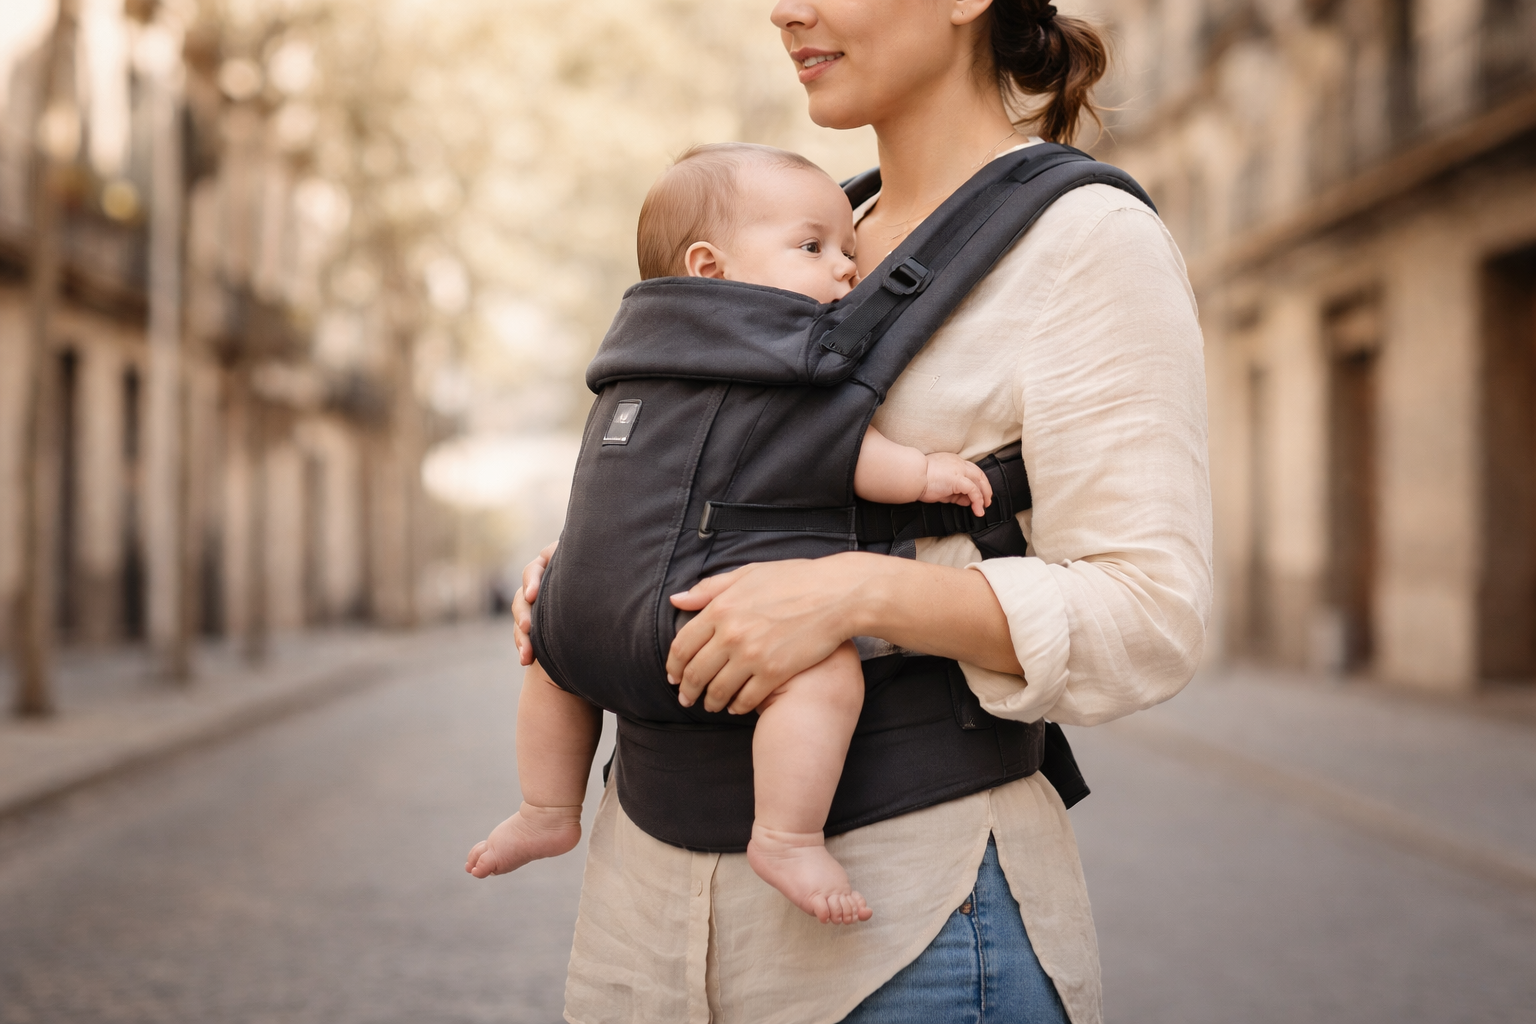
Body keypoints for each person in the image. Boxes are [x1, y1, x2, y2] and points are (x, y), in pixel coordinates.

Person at [515, 1, 1211, 1021]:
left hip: (906, 922)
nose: (785, 9)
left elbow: (1153, 612)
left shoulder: (1087, 242)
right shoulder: (787, 236)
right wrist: (609, 566)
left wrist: (852, 592)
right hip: (641, 916)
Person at [465, 142, 997, 927]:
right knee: (824, 676)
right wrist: (925, 474)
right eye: (814, 247)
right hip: (704, 621)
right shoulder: (783, 360)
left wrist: (578, 585)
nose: (847, 270)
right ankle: (786, 835)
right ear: (711, 269)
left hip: (583, 611)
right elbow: (847, 449)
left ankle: (546, 806)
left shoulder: (626, 369)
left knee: (552, 662)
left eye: (849, 250)